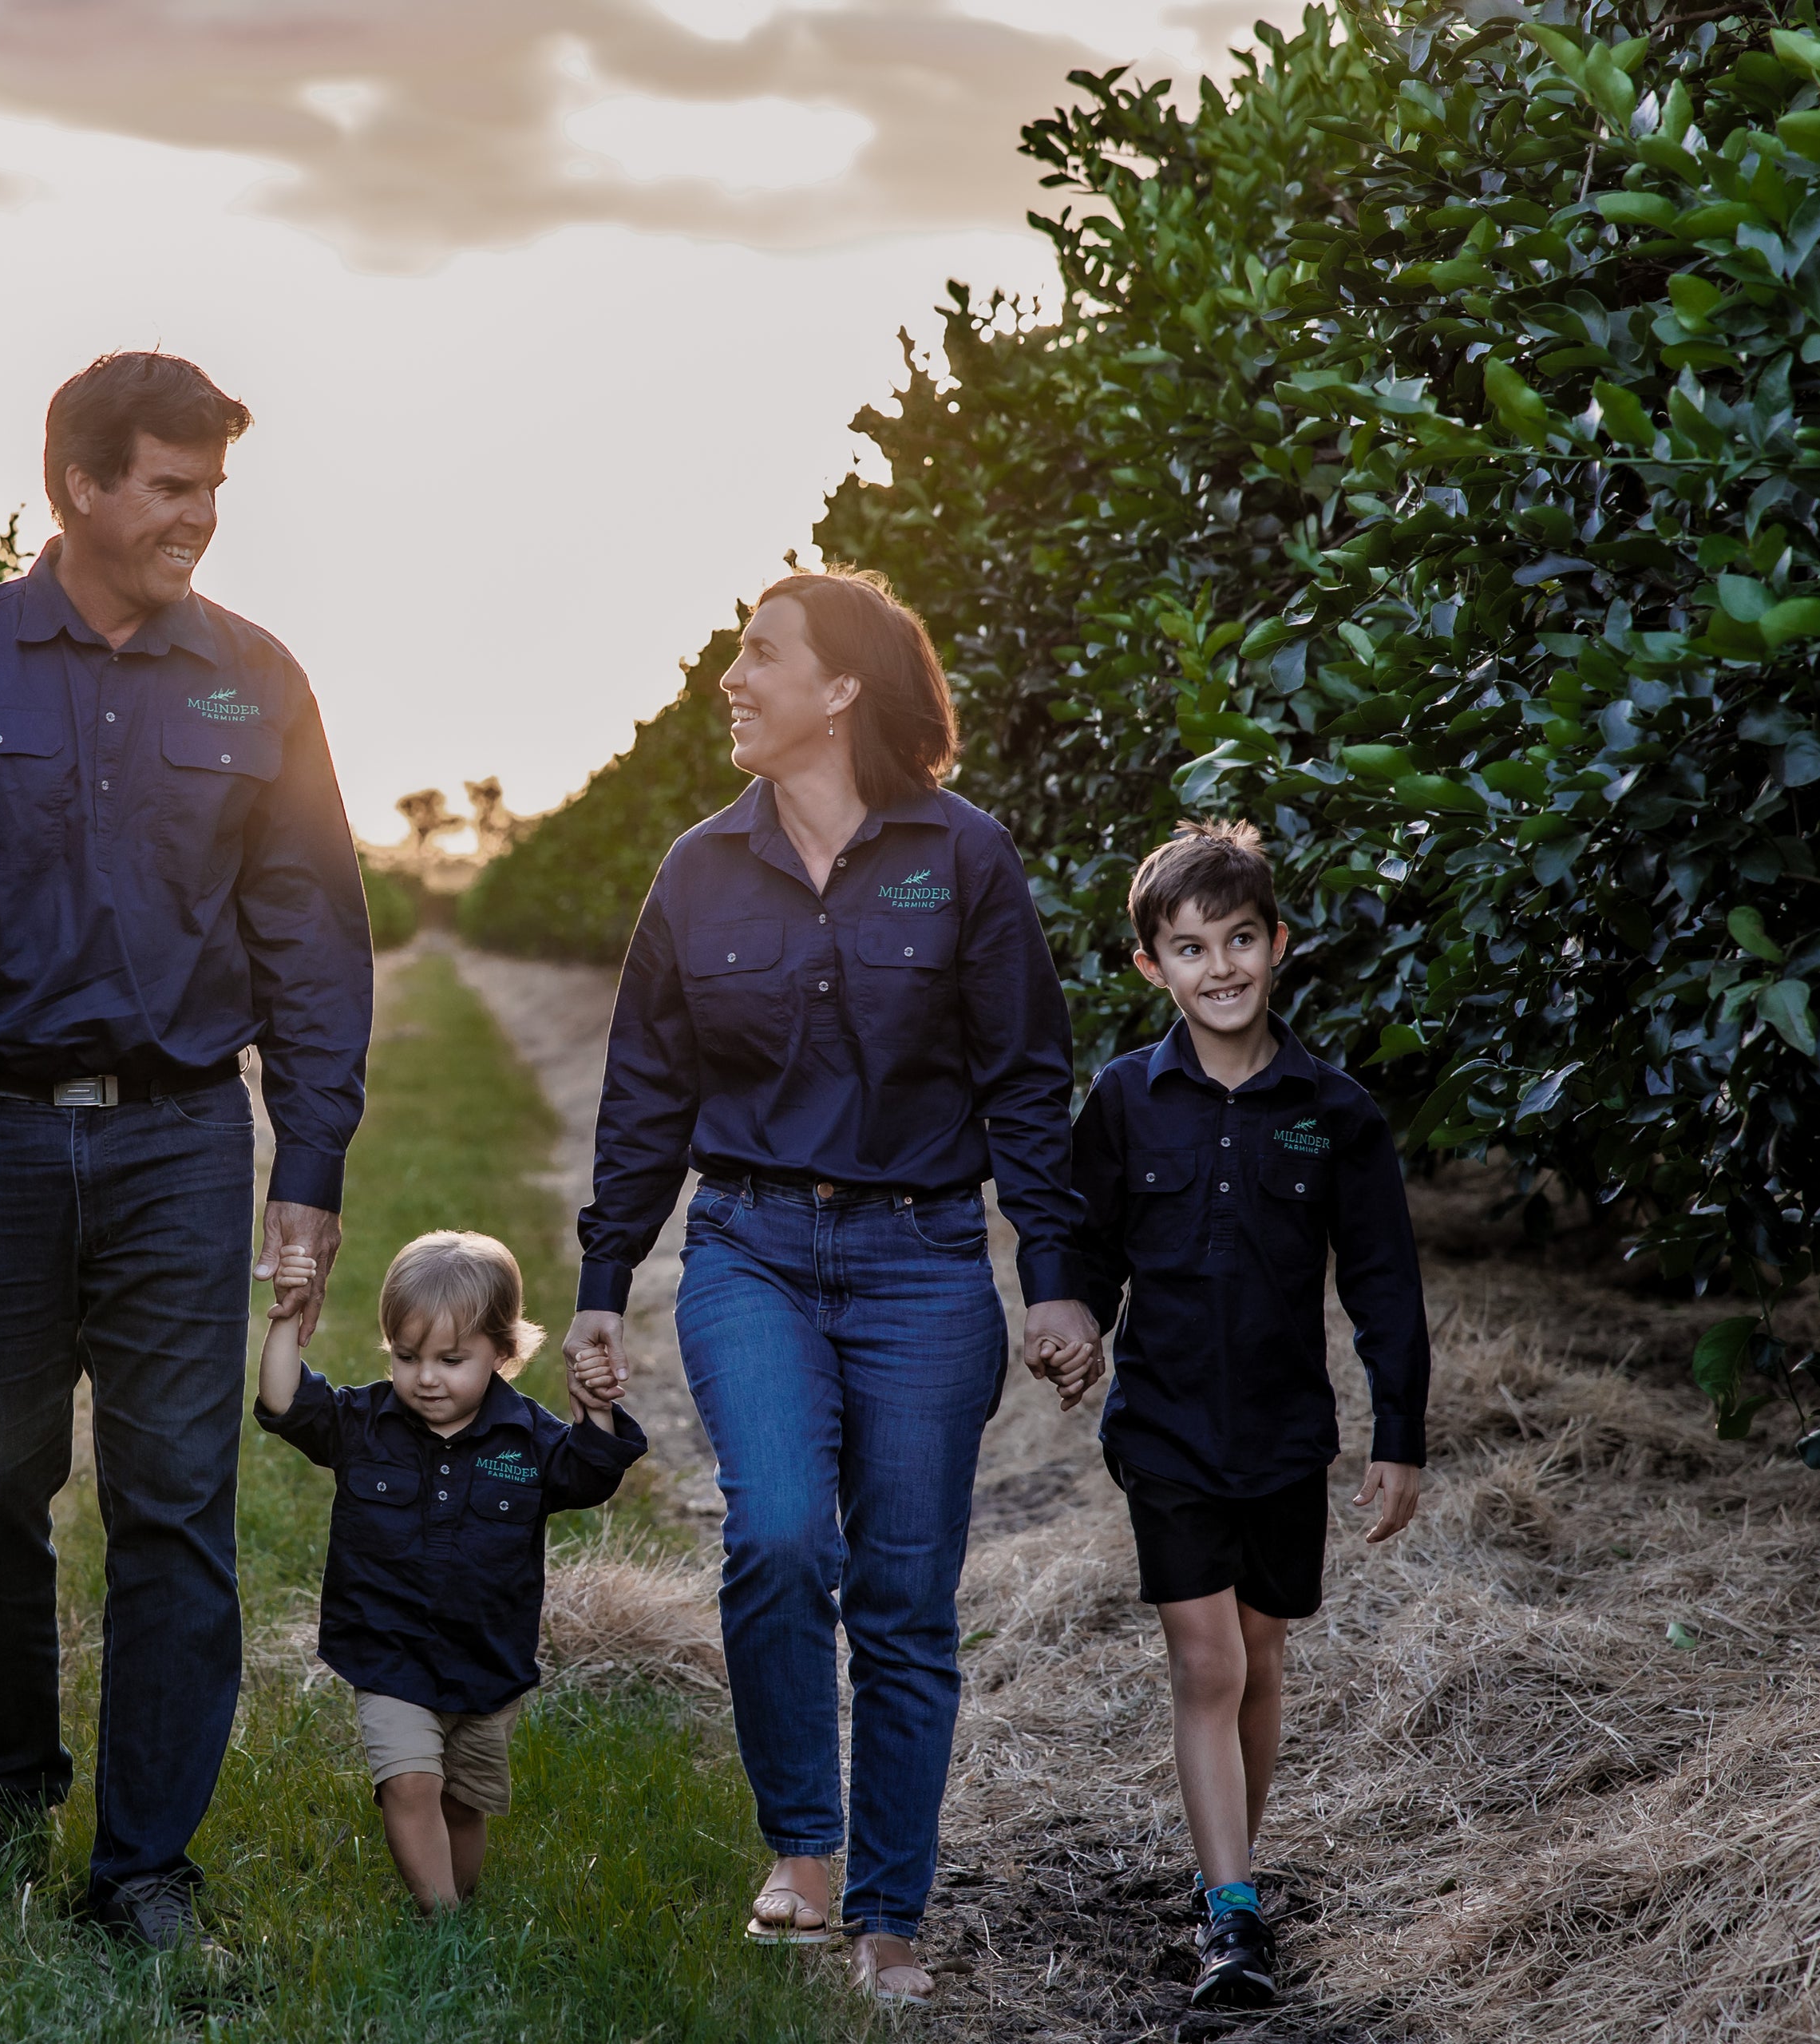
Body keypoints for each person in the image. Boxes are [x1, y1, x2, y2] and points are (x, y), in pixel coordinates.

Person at [0, 352, 374, 1948]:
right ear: (82, 486)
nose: (201, 518)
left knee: (179, 1498)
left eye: (215, 490)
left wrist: (308, 1164)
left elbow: (316, 941)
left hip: (181, 1141)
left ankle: (145, 1867)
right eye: (174, 486)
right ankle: (11, 1794)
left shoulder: (259, 679)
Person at [562, 568, 1097, 2009]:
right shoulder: (696, 870)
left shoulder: (965, 858)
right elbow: (645, 1095)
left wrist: (1054, 1279)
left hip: (924, 1262)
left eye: (757, 658)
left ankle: (889, 1921)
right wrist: (605, 1277)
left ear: (841, 687)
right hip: (745, 1251)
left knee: (909, 1604)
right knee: (783, 1537)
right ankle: (801, 1848)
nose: (730, 682)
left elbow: (1027, 1083)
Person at [1062, 818, 1429, 2010]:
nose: (1217, 968)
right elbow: (1088, 1243)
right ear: (1149, 968)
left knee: (1264, 1655)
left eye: (1237, 941)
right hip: (1165, 1426)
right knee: (1207, 1659)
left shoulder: (1335, 1111)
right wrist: (1071, 1324)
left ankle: (1234, 1876)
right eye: (1187, 948)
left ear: (1281, 945)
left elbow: (1382, 1282)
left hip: (1283, 1433)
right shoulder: (1124, 1100)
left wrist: (1400, 1433)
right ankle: (1232, 1919)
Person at [252, 1232, 645, 1911]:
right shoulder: (365, 1425)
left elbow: (591, 1473)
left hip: (486, 1666)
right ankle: (444, 1923)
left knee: (465, 1805)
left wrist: (598, 1406)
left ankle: (456, 1905)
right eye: (407, 1357)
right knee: (409, 1785)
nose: (425, 1377)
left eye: (450, 1360)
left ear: (504, 1353)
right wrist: (287, 1315)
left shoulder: (528, 1440)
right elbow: (288, 1403)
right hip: (389, 1654)